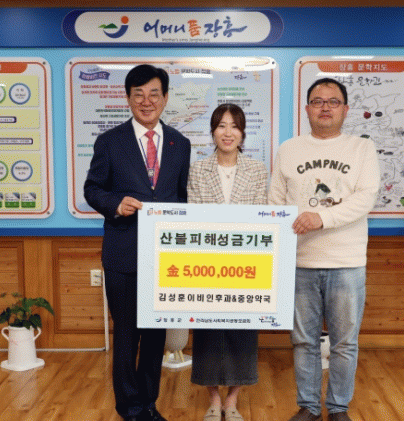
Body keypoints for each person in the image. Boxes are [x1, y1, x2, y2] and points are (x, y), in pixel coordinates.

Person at [268, 78, 380, 421]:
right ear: (307, 109)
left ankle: (338, 408)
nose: (325, 107)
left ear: (345, 109)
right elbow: (275, 202)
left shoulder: (362, 148)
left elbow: (365, 198)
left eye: (333, 101)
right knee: (304, 341)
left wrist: (322, 217)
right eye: (318, 101)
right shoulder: (289, 148)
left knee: (345, 343)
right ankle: (309, 406)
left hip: (346, 262)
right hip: (300, 261)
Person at [84, 64, 191, 421]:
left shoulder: (180, 143)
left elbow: (181, 197)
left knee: (156, 336)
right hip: (123, 253)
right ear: (128, 99)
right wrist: (115, 204)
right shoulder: (109, 141)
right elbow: (92, 189)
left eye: (154, 94)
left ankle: (148, 404)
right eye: (139, 95)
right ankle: (129, 408)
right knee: (127, 335)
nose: (147, 102)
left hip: (164, 256)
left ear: (165, 98)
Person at [187, 103, 268, 421]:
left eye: (234, 126)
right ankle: (213, 399)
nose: (228, 132)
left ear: (243, 132)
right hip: (206, 264)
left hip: (246, 265)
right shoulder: (197, 170)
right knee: (207, 333)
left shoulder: (257, 170)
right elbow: (193, 217)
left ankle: (232, 399)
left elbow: (261, 216)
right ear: (212, 132)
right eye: (221, 125)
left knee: (241, 333)